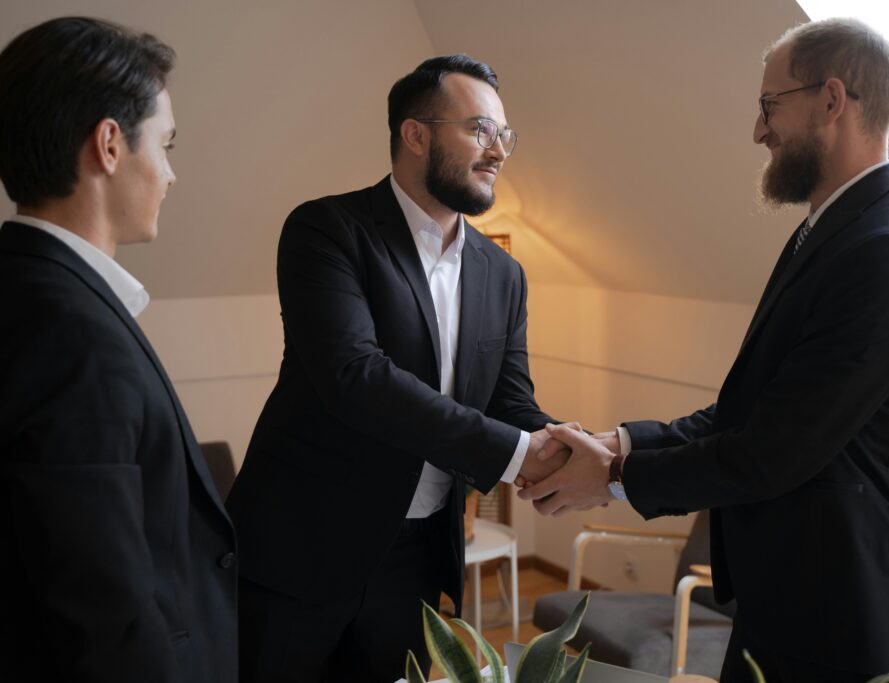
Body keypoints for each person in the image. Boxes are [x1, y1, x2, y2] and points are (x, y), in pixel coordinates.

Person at [522, 18, 889, 682]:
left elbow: (774, 451)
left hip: (852, 625)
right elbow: (744, 413)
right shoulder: (832, 232)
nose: (759, 132)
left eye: (769, 106)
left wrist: (610, 477)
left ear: (832, 99)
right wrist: (618, 446)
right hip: (788, 605)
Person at [225, 54, 565, 682]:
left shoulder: (504, 273)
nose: (498, 151)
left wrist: (566, 448)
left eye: (504, 136)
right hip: (300, 551)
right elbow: (357, 377)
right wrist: (517, 454)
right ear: (416, 134)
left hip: (414, 562)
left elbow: (510, 403)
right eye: (480, 131)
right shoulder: (327, 230)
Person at [0, 16, 237, 683]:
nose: (170, 174)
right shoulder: (69, 330)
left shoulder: (26, 288)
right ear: (108, 144)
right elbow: (101, 611)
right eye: (164, 145)